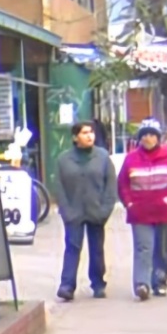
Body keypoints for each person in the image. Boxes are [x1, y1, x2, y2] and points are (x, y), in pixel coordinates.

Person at [117, 119, 167, 300]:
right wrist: (129, 203)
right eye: (144, 135)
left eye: (151, 135)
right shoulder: (131, 158)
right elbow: (123, 183)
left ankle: (160, 281)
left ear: (158, 138)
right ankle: (142, 284)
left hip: (163, 210)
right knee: (143, 248)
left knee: (161, 249)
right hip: (139, 211)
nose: (148, 139)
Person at [55, 120, 116, 301]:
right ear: (75, 137)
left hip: (96, 209)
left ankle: (98, 284)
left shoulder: (102, 157)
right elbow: (59, 187)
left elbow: (110, 186)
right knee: (72, 247)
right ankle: (67, 285)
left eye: (91, 132)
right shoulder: (64, 159)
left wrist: (105, 209)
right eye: (84, 133)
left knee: (97, 249)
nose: (89, 136)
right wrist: (65, 210)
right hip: (74, 211)